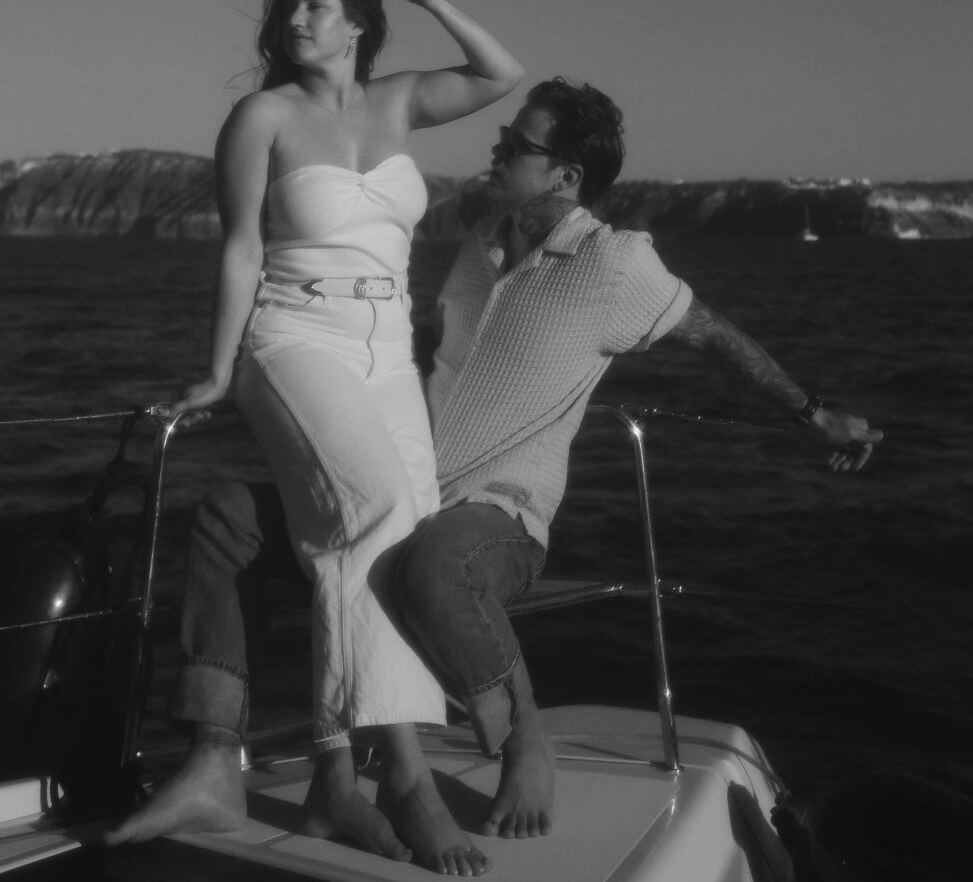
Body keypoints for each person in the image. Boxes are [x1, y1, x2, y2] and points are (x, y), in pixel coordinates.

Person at [108, 78, 881, 853]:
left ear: (565, 176)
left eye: (517, 145)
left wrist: (815, 414)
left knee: (429, 567)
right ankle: (214, 756)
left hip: (501, 512)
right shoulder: (479, 238)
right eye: (504, 136)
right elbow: (437, 348)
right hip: (406, 488)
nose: (496, 149)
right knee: (227, 520)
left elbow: (714, 334)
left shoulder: (617, 265)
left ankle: (522, 742)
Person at [139, 0, 524, 875]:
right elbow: (239, 250)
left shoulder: (398, 102)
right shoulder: (261, 116)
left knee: (396, 538)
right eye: (286, 11)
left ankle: (332, 784)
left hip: (388, 345)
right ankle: (404, 780)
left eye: (313, 7)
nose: (293, 22)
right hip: (294, 333)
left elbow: (499, 74)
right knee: (374, 511)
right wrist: (218, 368)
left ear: (356, 20)